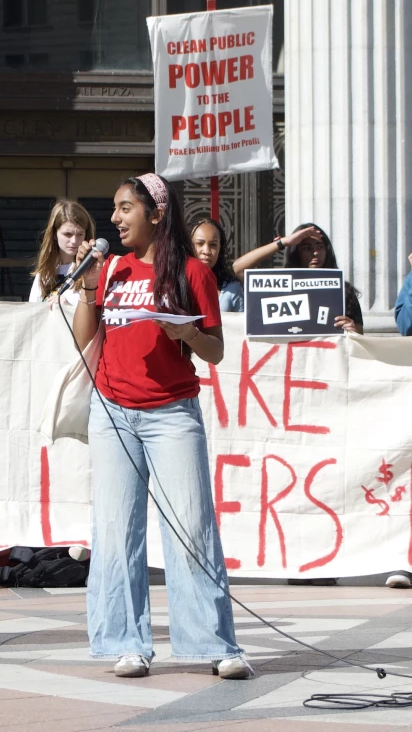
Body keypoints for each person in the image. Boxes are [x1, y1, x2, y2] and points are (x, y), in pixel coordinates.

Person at [67, 174, 249, 681]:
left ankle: (213, 643)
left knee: (190, 525)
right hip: (112, 414)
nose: (116, 218)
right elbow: (84, 338)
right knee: (117, 529)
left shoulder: (192, 272)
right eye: (115, 208)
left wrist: (185, 331)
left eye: (126, 208)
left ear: (156, 214)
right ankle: (126, 642)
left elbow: (213, 351)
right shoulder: (111, 270)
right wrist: (87, 285)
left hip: (171, 413)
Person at [231, 223, 363, 333]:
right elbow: (238, 268)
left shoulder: (344, 291)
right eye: (307, 248)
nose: (315, 253)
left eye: (320, 246)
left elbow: (359, 335)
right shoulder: (279, 286)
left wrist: (352, 329)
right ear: (295, 252)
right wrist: (284, 242)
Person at [28, 200, 95, 304]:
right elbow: (33, 312)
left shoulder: (91, 270)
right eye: (67, 234)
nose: (74, 241)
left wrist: (68, 304)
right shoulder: (44, 273)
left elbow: (96, 311)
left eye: (80, 234)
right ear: (54, 234)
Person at [189, 216, 243, 312]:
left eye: (213, 245)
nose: (206, 251)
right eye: (199, 244)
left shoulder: (232, 288)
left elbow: (241, 325)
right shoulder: (174, 284)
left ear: (220, 248)